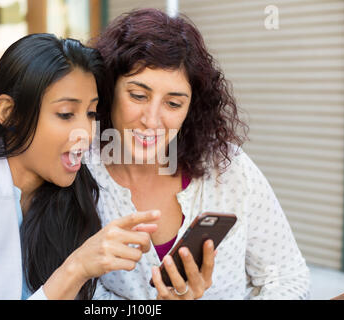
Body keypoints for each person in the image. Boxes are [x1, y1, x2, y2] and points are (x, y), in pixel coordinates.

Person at [0, 33, 160, 300]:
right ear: (8, 113)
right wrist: (75, 269)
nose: (86, 132)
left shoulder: (74, 195)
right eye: (66, 114)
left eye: (91, 113)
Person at [88, 9, 310, 300]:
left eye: (173, 103)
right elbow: (78, 295)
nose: (152, 120)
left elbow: (287, 275)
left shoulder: (228, 169)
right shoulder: (80, 174)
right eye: (138, 96)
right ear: (108, 88)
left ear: (191, 108)